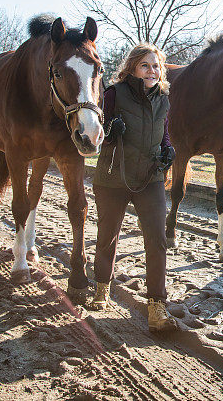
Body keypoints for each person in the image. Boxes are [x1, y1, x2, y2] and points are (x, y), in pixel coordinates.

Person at [89, 43, 179, 333]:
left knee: (157, 239)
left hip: (150, 178)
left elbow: (163, 133)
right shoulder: (114, 93)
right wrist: (110, 132)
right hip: (114, 176)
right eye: (145, 65)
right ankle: (102, 287)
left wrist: (168, 151)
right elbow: (97, 129)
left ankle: (156, 304)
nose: (152, 70)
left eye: (156, 65)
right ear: (132, 68)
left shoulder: (164, 98)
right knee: (107, 235)